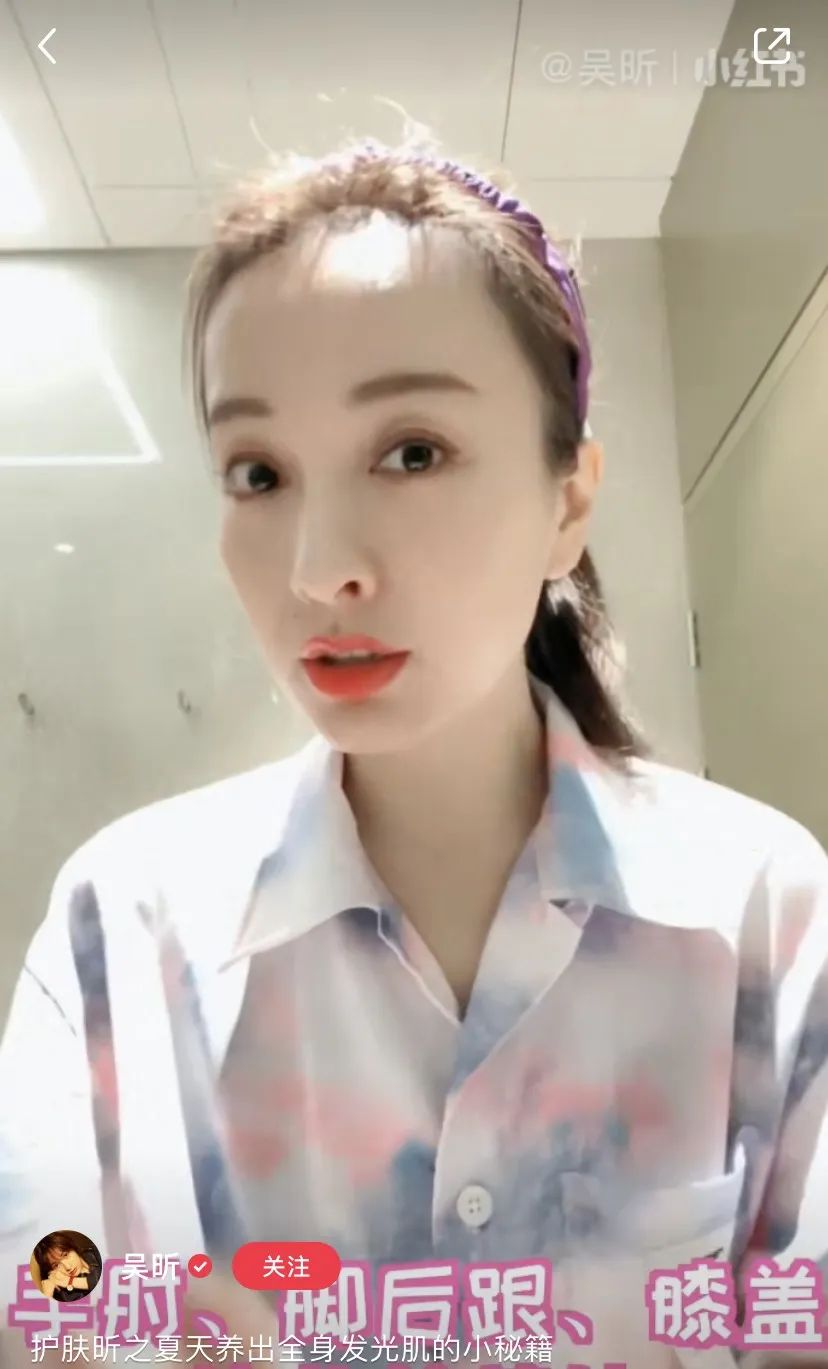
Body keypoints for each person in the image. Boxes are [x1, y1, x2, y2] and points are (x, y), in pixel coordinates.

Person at [0, 131, 826, 1369]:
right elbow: (47, 1302)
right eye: (258, 471)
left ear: (568, 500)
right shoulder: (123, 919)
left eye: (413, 452)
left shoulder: (763, 905)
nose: (319, 566)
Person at [32, 1230, 101, 1301]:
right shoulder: (65, 1295)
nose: (68, 1267)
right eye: (56, 1265)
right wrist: (47, 1295)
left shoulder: (97, 1253)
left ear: (73, 1247)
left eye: (65, 1255)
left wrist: (69, 1281)